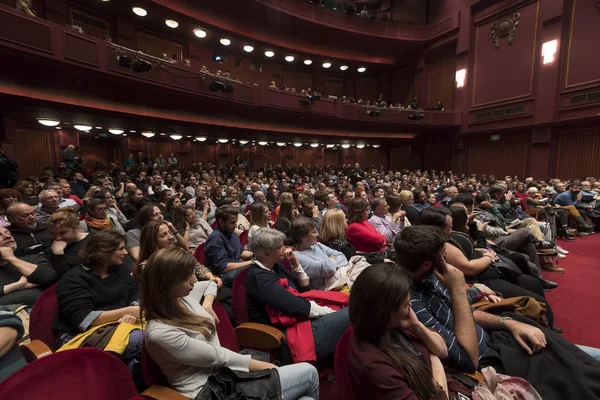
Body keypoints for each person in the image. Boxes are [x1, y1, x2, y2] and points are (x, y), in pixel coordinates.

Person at [394, 225, 600, 399]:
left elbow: (462, 313)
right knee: (583, 380)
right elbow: (467, 360)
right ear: (427, 263)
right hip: (491, 362)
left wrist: (508, 323)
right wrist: (457, 287)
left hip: (500, 338)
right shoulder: (412, 303)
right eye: (442, 253)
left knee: (584, 361)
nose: (446, 257)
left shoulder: (430, 276)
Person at [140, 247, 319, 400]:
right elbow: (217, 356)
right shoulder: (159, 333)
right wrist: (267, 367)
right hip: (209, 392)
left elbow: (210, 284)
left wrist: (207, 304)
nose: (194, 280)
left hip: (228, 377)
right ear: (167, 284)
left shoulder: (181, 298)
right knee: (309, 373)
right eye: (187, 277)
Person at [349, 264, 471, 400]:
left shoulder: (395, 325)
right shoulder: (376, 369)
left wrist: (417, 326)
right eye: (406, 304)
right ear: (385, 312)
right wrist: (435, 363)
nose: (411, 306)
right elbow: (438, 357)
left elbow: (442, 350)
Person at [245, 228, 350, 363]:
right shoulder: (257, 277)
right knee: (353, 313)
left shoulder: (275, 267)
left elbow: (304, 289)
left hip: (302, 321)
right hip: (288, 336)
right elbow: (294, 305)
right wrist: (329, 312)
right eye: (279, 247)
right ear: (266, 253)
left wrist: (295, 264)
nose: (284, 249)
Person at [53, 230, 142, 373]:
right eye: (120, 249)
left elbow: (134, 290)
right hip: (81, 334)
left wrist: (133, 308)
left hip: (120, 324)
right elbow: (83, 318)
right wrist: (127, 311)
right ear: (103, 252)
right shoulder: (73, 279)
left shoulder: (117, 269)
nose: (125, 252)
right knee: (146, 339)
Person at [0, 226, 56, 305]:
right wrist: (19, 285)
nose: (8, 236)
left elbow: (47, 277)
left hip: (40, 309)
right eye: (0, 235)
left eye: (8, 233)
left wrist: (11, 258)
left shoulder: (33, 259)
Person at [291, 219, 347, 291]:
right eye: (313, 232)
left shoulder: (317, 245)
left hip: (342, 276)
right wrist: (332, 259)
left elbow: (341, 256)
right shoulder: (298, 257)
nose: (317, 234)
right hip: (330, 288)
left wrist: (330, 263)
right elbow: (329, 268)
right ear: (303, 237)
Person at [204, 206, 253, 286]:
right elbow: (223, 267)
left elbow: (240, 252)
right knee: (256, 270)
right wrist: (250, 263)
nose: (235, 226)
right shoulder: (216, 239)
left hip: (237, 267)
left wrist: (254, 255)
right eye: (232, 223)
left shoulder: (231, 233)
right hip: (225, 276)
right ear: (221, 222)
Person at [45, 209, 90, 279]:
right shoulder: (51, 250)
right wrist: (58, 254)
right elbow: (65, 278)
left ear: (76, 228)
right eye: (53, 233)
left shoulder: (93, 240)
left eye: (62, 233)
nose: (57, 238)